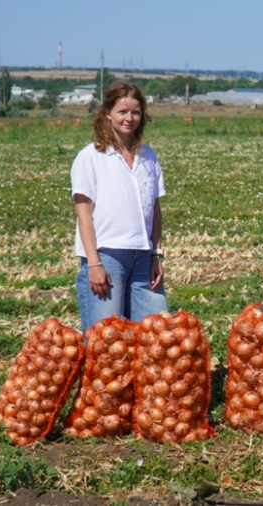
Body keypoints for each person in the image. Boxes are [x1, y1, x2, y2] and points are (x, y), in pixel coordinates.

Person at [71, 81, 169, 333]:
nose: (129, 118)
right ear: (107, 114)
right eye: (122, 112)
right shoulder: (91, 157)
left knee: (155, 334)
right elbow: (84, 214)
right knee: (106, 339)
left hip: (143, 257)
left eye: (135, 112)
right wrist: (94, 263)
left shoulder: (149, 156)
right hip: (107, 256)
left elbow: (154, 209)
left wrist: (157, 255)